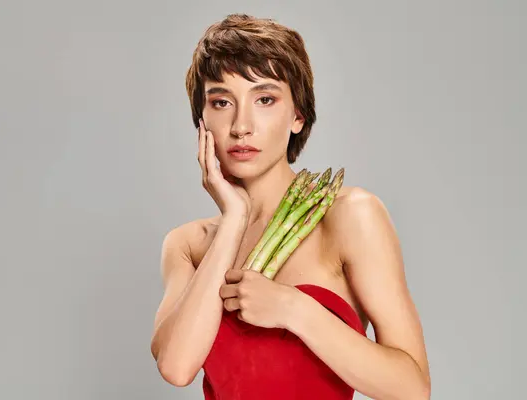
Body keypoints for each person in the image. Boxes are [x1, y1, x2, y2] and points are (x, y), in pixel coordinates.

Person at [150, 13, 431, 400]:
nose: (240, 125)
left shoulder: (349, 216)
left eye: (264, 99)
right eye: (221, 102)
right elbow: (175, 367)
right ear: (202, 119)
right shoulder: (188, 244)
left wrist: (293, 309)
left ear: (297, 115)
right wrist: (234, 219)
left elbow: (412, 389)